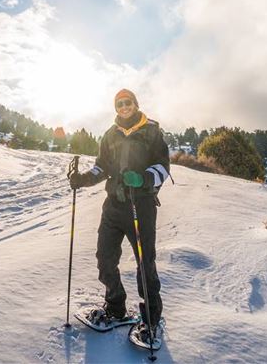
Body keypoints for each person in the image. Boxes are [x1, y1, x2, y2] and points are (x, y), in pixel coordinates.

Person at [69, 88, 170, 344]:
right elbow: (101, 167)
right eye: (119, 104)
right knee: (105, 258)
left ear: (136, 104)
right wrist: (82, 179)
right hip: (113, 206)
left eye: (128, 102)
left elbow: (163, 168)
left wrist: (143, 178)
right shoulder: (110, 135)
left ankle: (150, 320)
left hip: (141, 206)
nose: (124, 107)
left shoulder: (152, 132)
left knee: (145, 263)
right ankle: (115, 308)